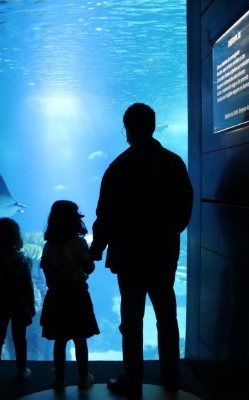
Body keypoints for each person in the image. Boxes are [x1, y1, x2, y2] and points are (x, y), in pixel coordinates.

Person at [89, 103, 193, 398]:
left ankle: (133, 379)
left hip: (130, 255)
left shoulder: (119, 167)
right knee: (166, 314)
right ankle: (170, 375)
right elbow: (185, 206)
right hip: (163, 252)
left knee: (131, 318)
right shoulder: (173, 163)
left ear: (128, 130)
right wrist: (170, 232)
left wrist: (97, 249)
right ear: (152, 125)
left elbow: (105, 214)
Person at [39, 200, 100, 393]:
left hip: (56, 296)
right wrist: (87, 262)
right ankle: (83, 378)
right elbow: (89, 267)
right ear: (75, 221)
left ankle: (60, 379)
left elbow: (48, 276)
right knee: (80, 339)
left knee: (60, 339)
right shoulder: (79, 243)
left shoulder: (48, 246)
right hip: (77, 295)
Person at [0, 217, 35, 381]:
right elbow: (28, 286)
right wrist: (31, 306)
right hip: (19, 303)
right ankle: (21, 370)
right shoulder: (25, 260)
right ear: (16, 237)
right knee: (20, 338)